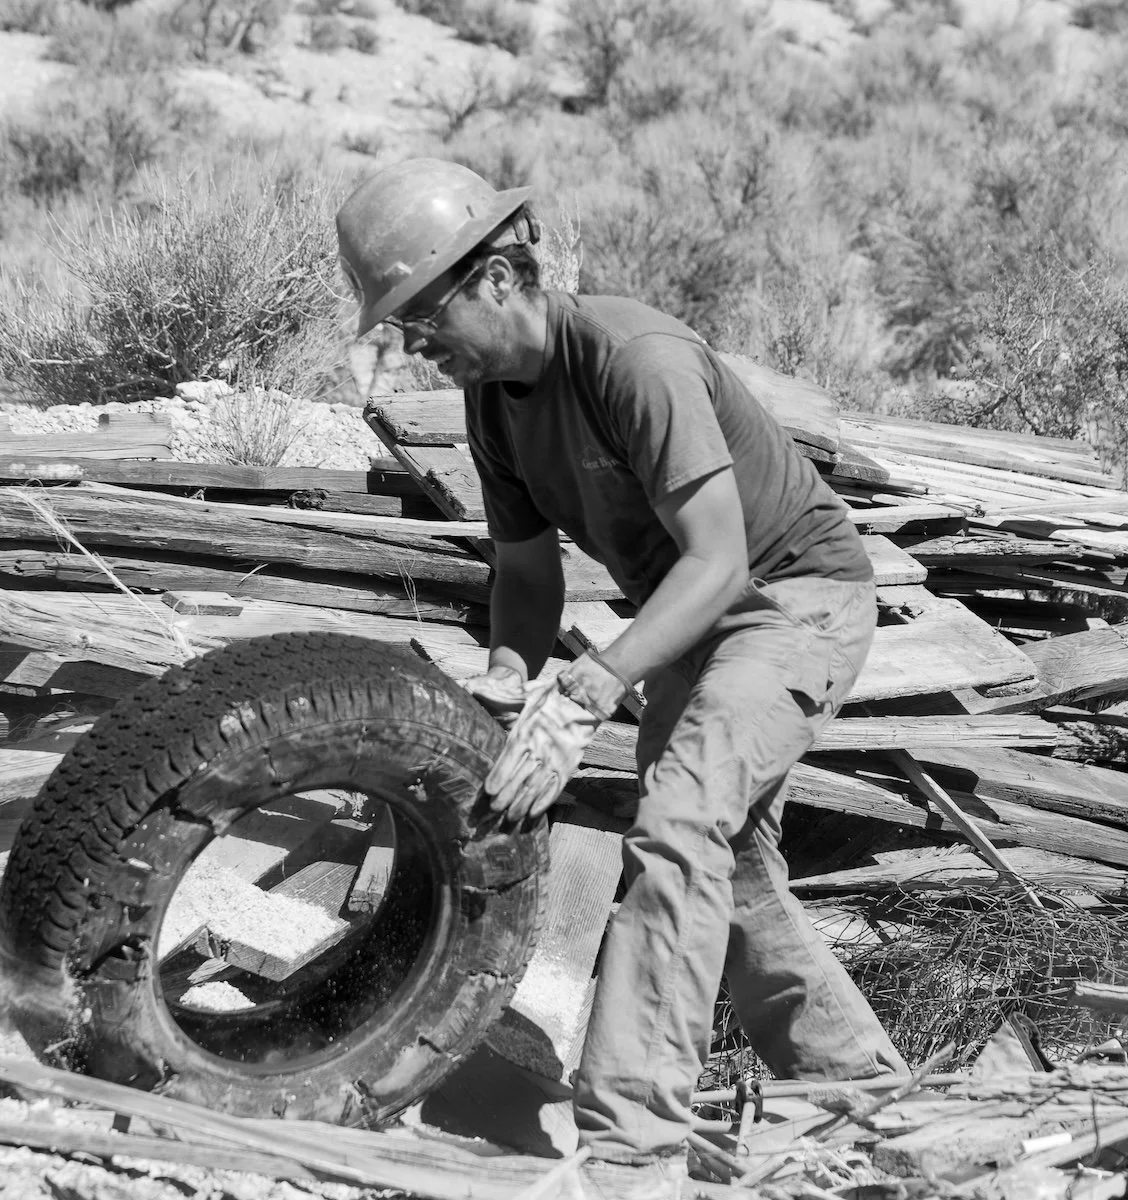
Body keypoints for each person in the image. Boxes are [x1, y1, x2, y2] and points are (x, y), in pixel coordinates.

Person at [335, 159, 908, 1171]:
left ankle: (631, 1150)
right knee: (731, 867)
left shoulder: (633, 360)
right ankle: (859, 1094)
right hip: (696, 620)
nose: (414, 344)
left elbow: (718, 558)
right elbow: (525, 573)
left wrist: (594, 684)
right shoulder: (495, 404)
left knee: (681, 822)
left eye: (423, 315)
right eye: (400, 325)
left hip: (792, 600)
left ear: (497, 278)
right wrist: (508, 677)